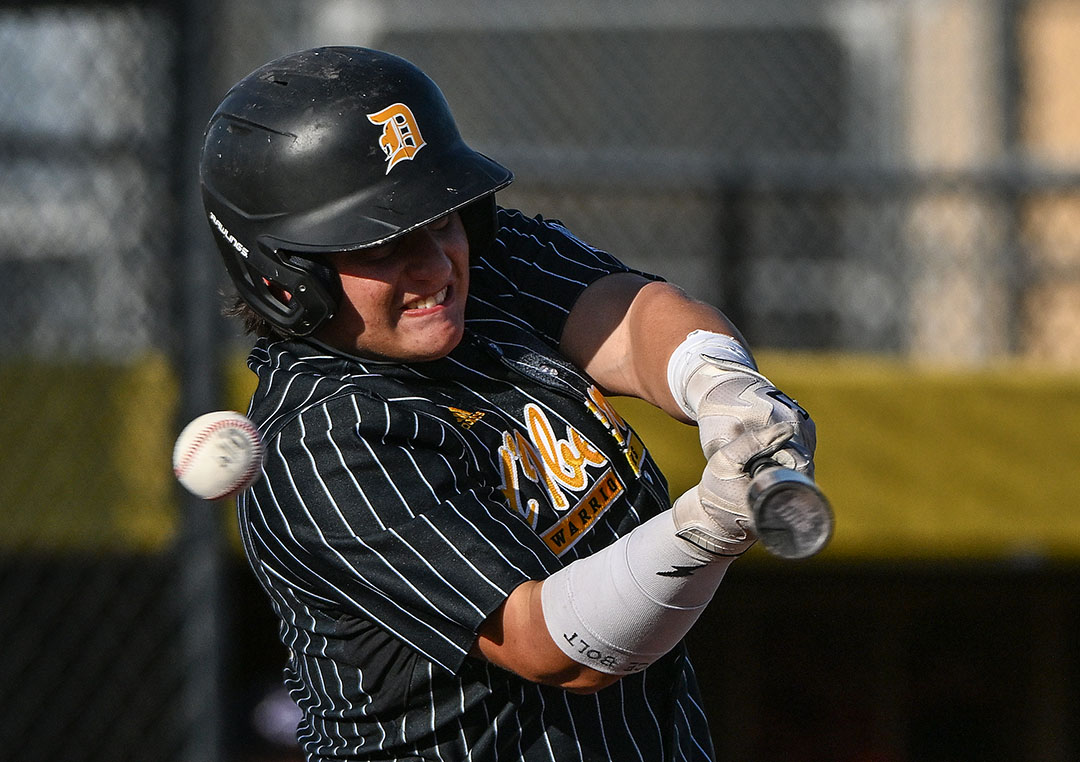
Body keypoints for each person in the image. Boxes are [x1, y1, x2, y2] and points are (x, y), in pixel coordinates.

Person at [199, 46, 816, 762]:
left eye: (440, 220)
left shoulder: (481, 271)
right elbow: (554, 647)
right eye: (382, 243)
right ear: (282, 275)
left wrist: (725, 387)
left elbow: (631, 317)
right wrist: (707, 526)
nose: (434, 265)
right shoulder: (326, 441)